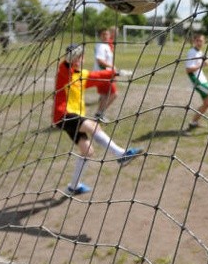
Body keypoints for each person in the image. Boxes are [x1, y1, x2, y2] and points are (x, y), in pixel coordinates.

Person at [53, 43, 142, 195]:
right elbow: (66, 63)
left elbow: (98, 76)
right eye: (76, 57)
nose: (79, 60)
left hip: (74, 117)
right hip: (64, 115)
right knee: (94, 126)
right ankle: (120, 154)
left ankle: (73, 186)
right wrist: (74, 54)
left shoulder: (82, 75)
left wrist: (118, 73)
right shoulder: (63, 72)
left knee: (87, 151)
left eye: (81, 57)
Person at [185, 33, 208, 131]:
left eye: (201, 41)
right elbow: (188, 70)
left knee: (207, 103)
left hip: (202, 80)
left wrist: (205, 62)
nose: (199, 43)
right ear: (194, 41)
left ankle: (193, 123)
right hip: (197, 81)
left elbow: (205, 62)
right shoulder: (191, 52)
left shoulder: (200, 52)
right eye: (197, 40)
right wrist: (202, 64)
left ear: (204, 42)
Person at [93, 27, 117, 122]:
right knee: (114, 94)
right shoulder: (101, 46)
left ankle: (100, 115)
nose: (106, 36)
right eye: (104, 34)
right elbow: (100, 61)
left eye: (107, 34)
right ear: (100, 36)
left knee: (104, 95)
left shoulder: (106, 45)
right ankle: (99, 114)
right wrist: (111, 67)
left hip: (106, 74)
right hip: (102, 74)